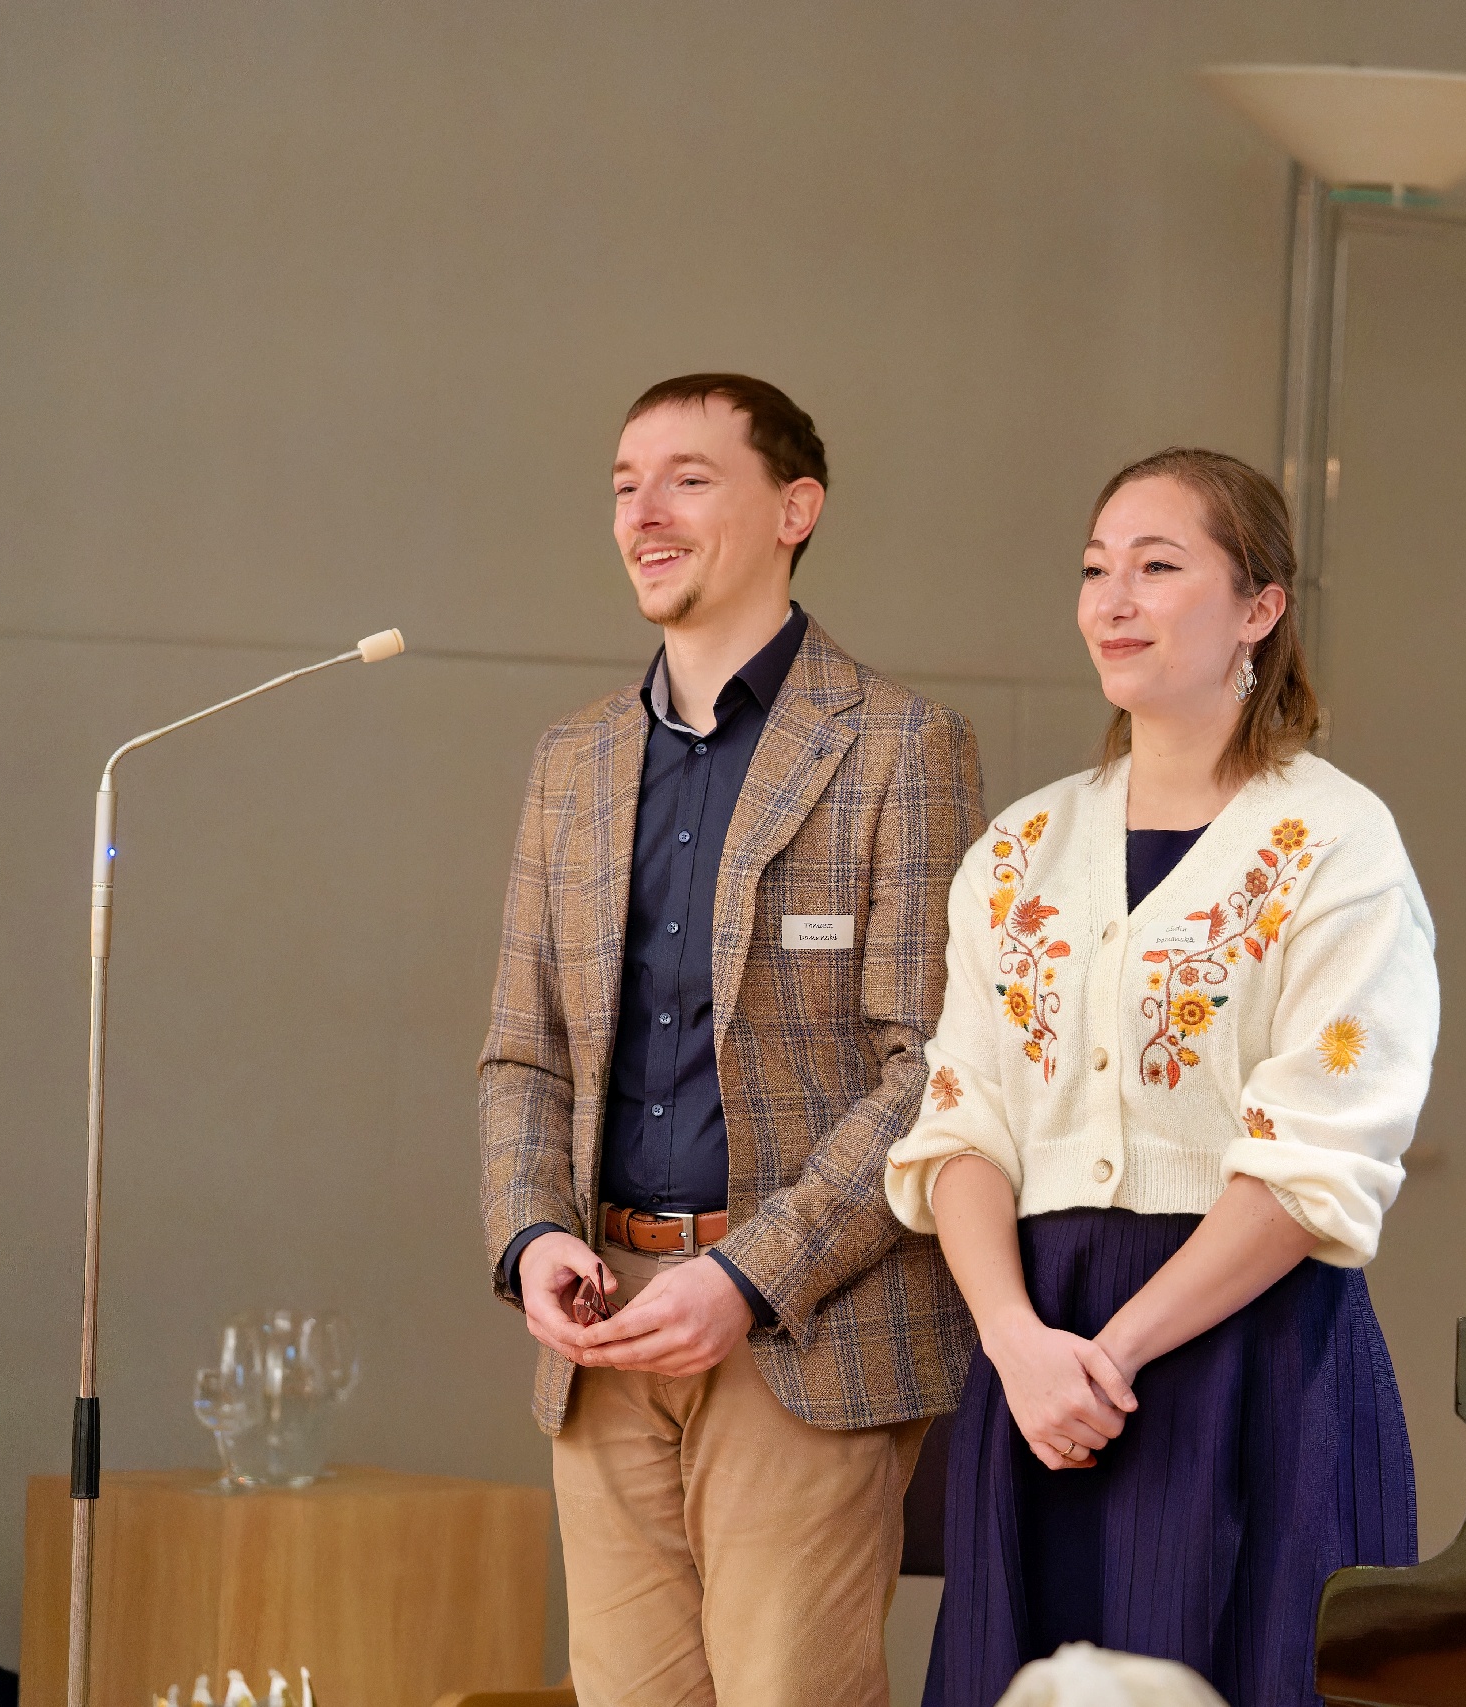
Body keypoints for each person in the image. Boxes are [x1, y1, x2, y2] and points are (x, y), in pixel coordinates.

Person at [887, 447, 1439, 1706]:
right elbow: (960, 1120)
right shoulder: (1021, 847)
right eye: (1095, 570)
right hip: (1038, 1360)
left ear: (1259, 607)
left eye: (1156, 566)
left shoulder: (1337, 843)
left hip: (1247, 1360)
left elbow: (1317, 1155)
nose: (1114, 600)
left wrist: (1114, 1355)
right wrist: (1020, 1345)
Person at [479, 373, 984, 1706]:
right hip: (602, 1331)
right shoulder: (573, 762)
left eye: (688, 478)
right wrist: (530, 1237)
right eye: (623, 485)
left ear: (793, 509)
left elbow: (930, 1071)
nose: (642, 511)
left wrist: (746, 1277)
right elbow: (524, 1054)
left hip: (803, 1331)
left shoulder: (902, 745)